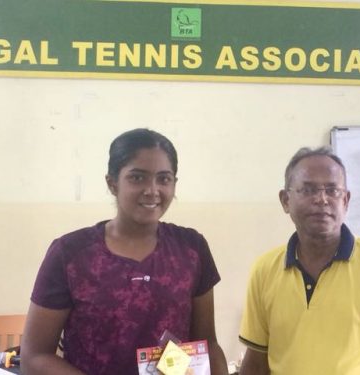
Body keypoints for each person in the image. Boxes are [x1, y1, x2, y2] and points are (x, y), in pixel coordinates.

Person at [21, 128, 228, 375]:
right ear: (112, 183)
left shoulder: (191, 249)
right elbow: (35, 357)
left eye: (164, 179)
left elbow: (207, 344)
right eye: (137, 178)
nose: (152, 190)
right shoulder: (70, 254)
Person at [238, 147, 360, 375]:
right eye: (308, 190)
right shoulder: (264, 270)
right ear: (285, 200)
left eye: (332, 190)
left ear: (345, 200)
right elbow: (256, 363)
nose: (321, 199)